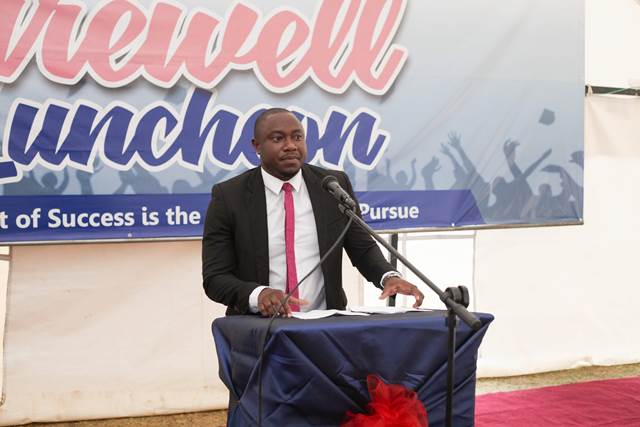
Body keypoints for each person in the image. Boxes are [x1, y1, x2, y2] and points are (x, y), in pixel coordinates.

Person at [202, 108, 424, 317]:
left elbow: (362, 248)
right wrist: (259, 294)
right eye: (278, 139)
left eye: (297, 137)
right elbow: (215, 278)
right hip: (258, 329)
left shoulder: (333, 186)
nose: (291, 146)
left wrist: (388, 276)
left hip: (324, 327)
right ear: (257, 145)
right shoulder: (229, 196)